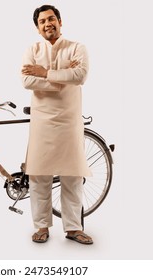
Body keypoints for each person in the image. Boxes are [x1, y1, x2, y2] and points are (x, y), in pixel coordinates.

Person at [21, 5, 93, 244]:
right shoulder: (32, 50)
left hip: (69, 120)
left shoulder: (76, 48)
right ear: (37, 28)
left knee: (71, 176)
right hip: (42, 121)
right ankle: (41, 227)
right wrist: (60, 79)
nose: (47, 24)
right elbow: (26, 80)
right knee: (39, 176)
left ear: (60, 22)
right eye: (42, 21)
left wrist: (44, 72)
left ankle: (73, 228)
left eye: (51, 19)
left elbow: (80, 75)